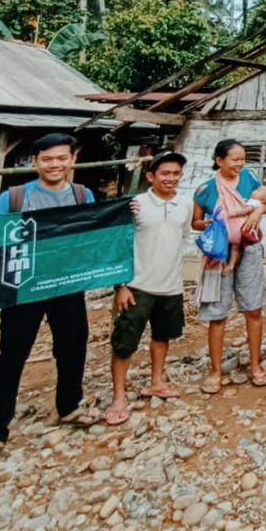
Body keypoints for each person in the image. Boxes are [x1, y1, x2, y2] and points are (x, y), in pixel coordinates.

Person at [0, 132, 102, 468]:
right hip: (22, 290)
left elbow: (94, 239)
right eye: (47, 159)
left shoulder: (83, 194)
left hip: (66, 285)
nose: (55, 164)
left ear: (73, 160)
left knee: (73, 347)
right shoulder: (13, 198)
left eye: (62, 158)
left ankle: (70, 406)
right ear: (35, 162)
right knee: (11, 357)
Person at [106, 152, 193, 426]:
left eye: (176, 173)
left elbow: (182, 239)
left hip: (170, 284)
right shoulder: (135, 204)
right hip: (137, 285)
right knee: (124, 342)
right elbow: (118, 244)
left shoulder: (185, 204)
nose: (171, 178)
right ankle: (118, 396)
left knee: (162, 336)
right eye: (165, 173)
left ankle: (157, 381)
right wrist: (120, 285)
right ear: (150, 177)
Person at [192, 140, 266, 393]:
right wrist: (207, 226)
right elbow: (195, 221)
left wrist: (258, 213)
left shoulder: (249, 178)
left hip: (248, 249)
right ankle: (216, 371)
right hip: (218, 254)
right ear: (219, 160)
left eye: (242, 159)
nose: (240, 164)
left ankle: (256, 365)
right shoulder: (206, 189)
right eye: (234, 159)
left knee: (253, 309)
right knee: (217, 313)